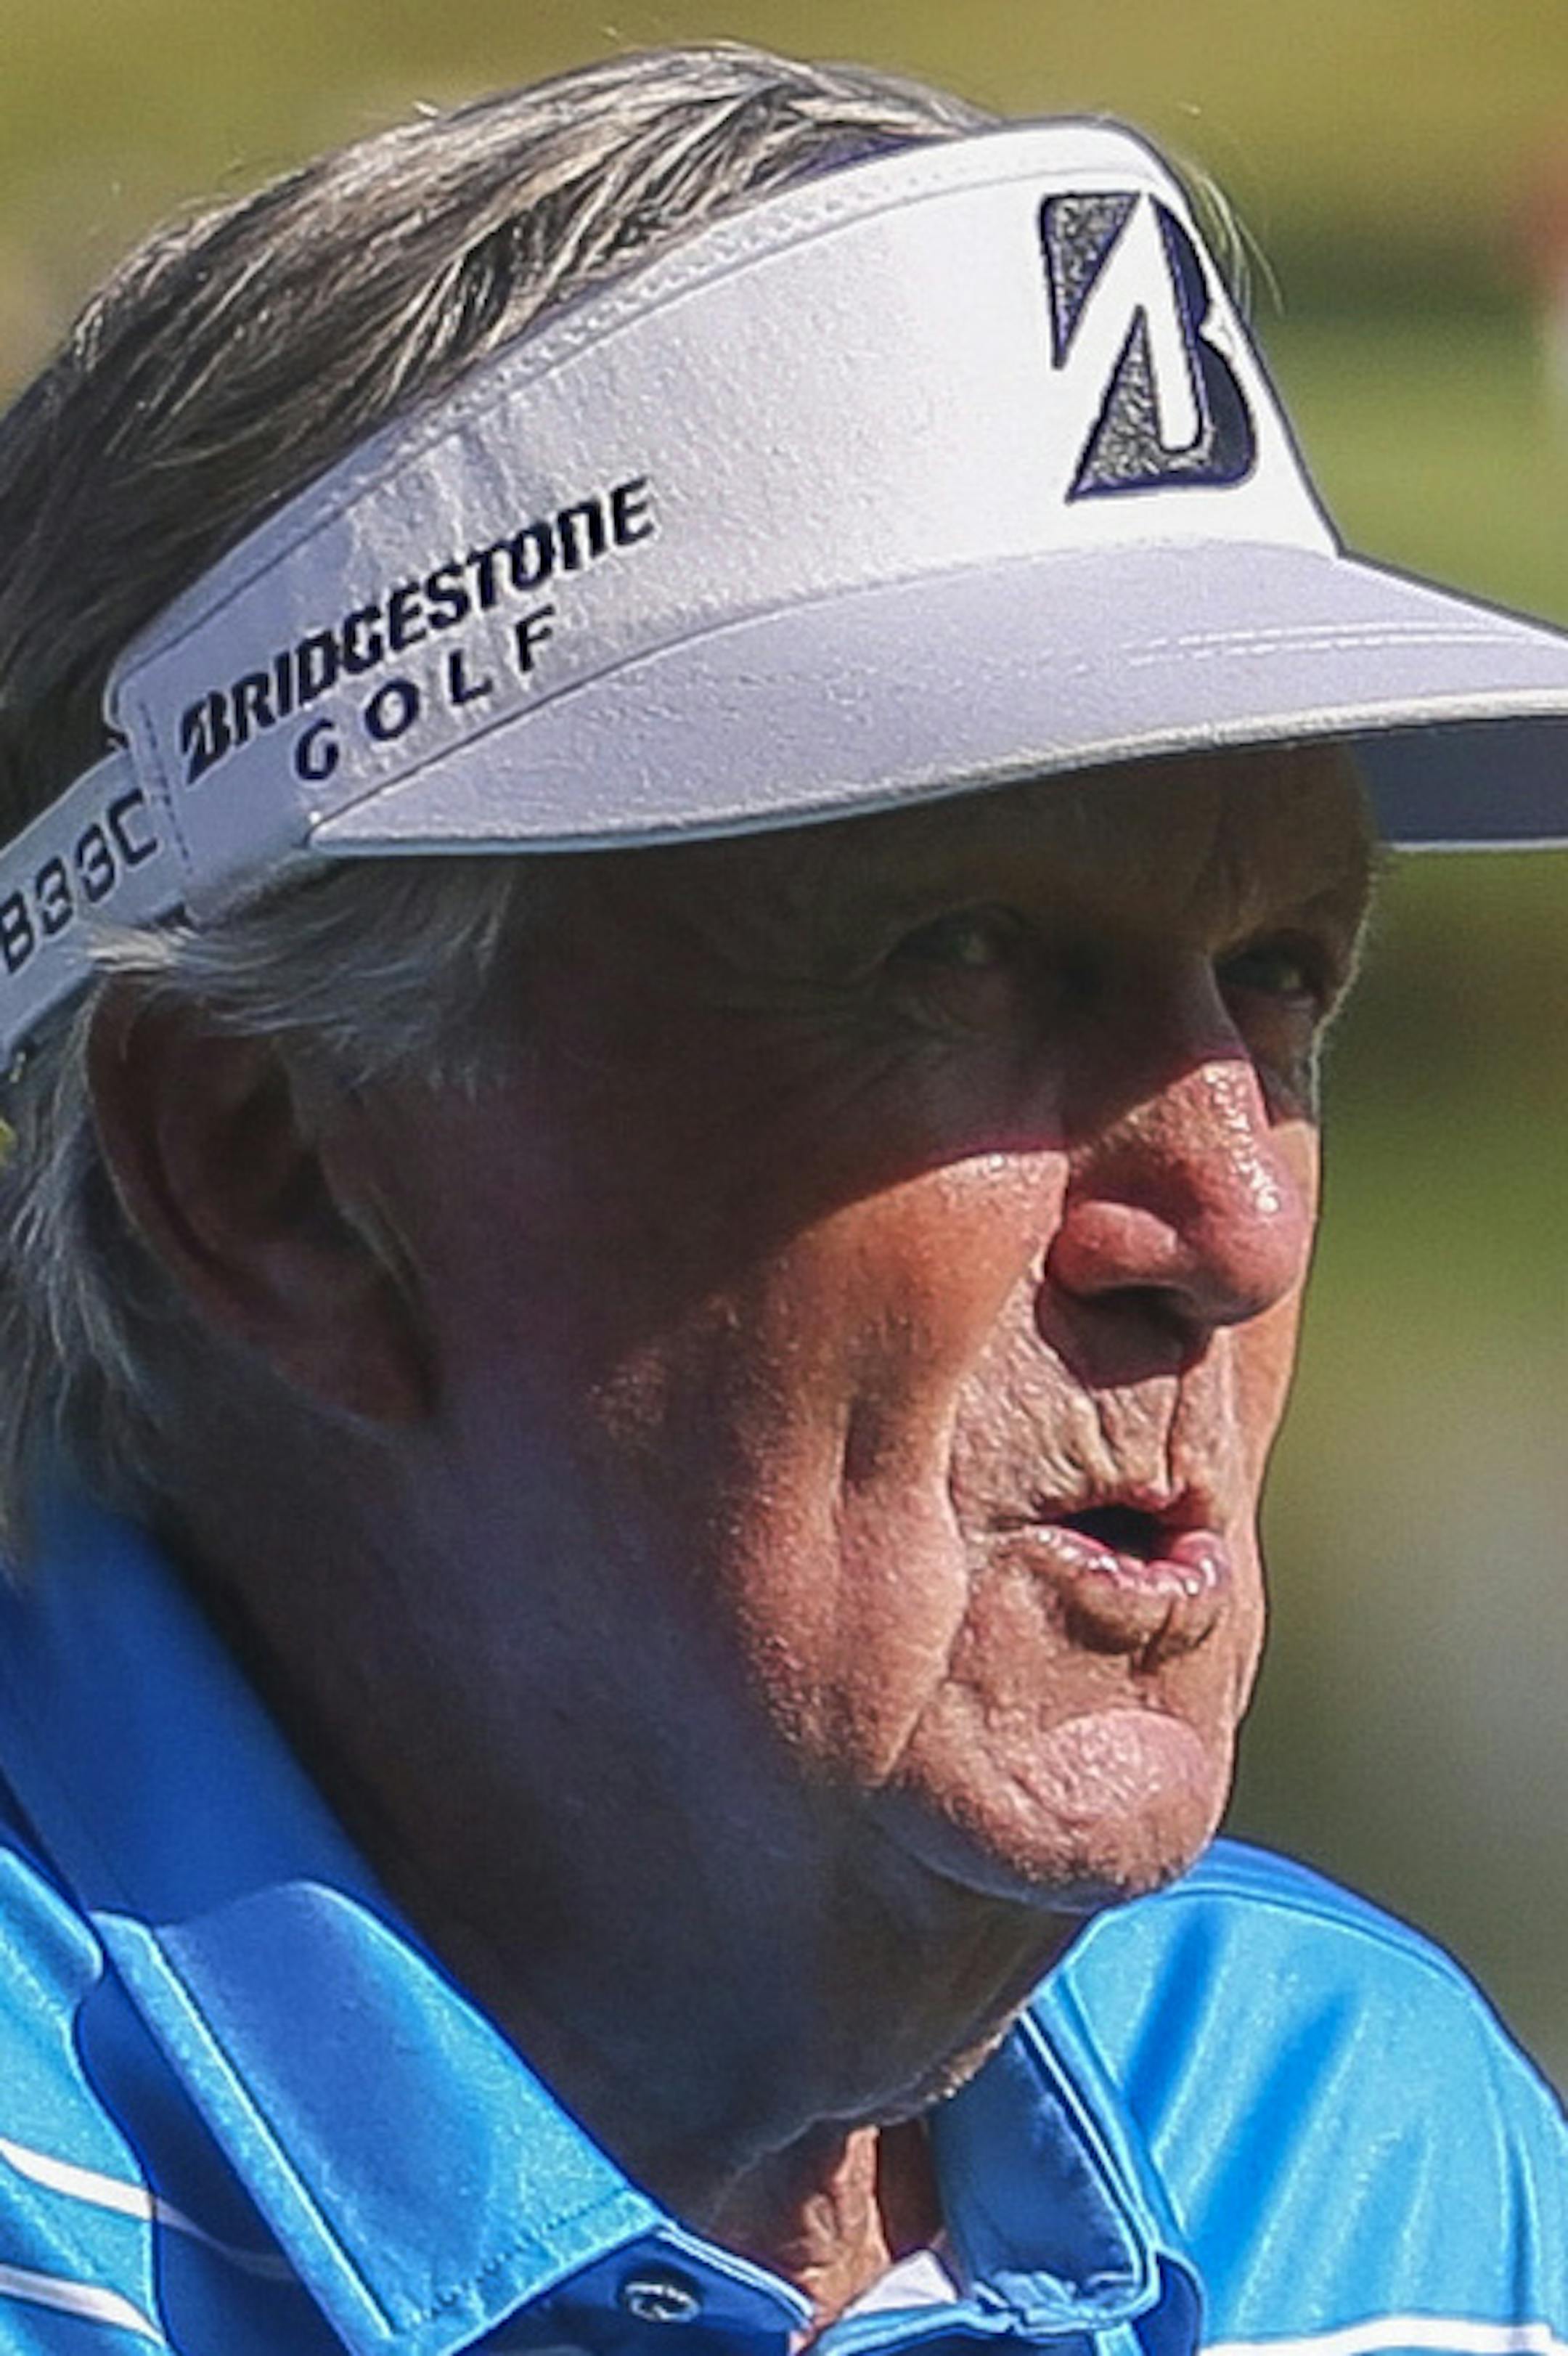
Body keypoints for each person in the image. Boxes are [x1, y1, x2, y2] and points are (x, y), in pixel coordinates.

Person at [0, 42, 1563, 2356]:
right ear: (277, 1172)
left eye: (1279, 978)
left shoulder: (1361, 2154)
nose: (1225, 1214)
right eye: (961, 962)